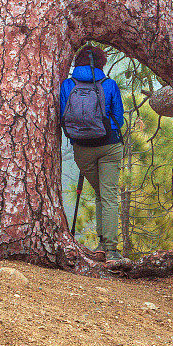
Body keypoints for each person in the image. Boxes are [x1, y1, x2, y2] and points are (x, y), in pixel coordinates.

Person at [59, 45, 125, 261]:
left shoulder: (68, 84)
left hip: (82, 150)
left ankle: (101, 244)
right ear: (102, 63)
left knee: (102, 194)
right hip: (109, 147)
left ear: (77, 62)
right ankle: (110, 249)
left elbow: (63, 116)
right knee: (108, 197)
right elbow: (119, 119)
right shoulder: (109, 84)